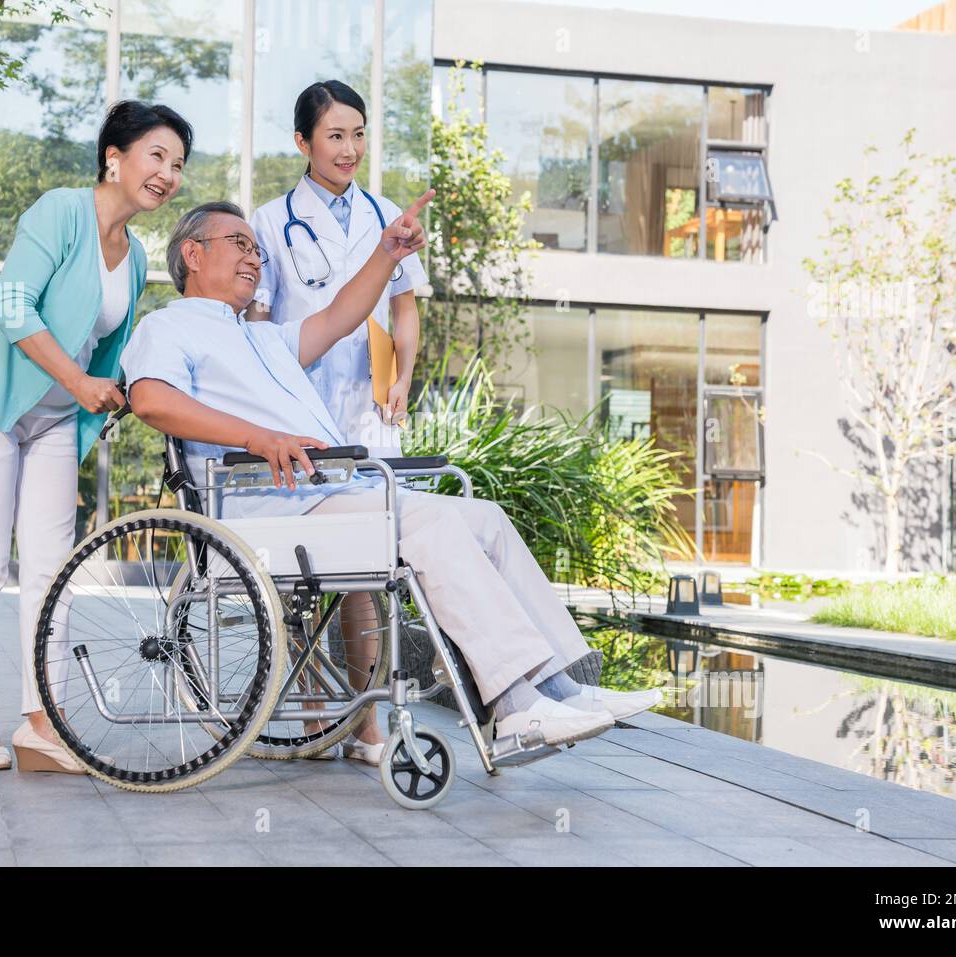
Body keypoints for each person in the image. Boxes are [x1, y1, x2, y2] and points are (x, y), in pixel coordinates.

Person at [119, 198, 663, 754]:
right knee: (430, 527)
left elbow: (339, 318)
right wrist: (258, 438)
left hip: (330, 494)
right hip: (270, 512)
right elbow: (152, 400)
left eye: (257, 250)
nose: (255, 259)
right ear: (192, 253)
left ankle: (563, 688)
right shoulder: (167, 327)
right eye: (240, 245)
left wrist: (386, 252)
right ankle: (514, 709)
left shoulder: (262, 339)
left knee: (486, 519)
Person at [0, 100, 191, 774]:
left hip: (53, 417)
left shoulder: (135, 256)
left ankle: (41, 720)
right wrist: (78, 380)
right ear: (115, 155)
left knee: (52, 570)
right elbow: (13, 306)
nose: (168, 174)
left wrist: (114, 392)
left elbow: (107, 353)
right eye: (157, 156)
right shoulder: (61, 211)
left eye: (177, 165)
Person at [249, 80, 429, 760]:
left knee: (365, 572)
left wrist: (406, 375)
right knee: (301, 571)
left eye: (358, 134)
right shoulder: (269, 221)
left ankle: (369, 725)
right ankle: (317, 715)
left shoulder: (388, 214)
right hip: (303, 410)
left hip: (370, 410)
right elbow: (260, 316)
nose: (349, 148)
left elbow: (406, 307)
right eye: (335, 135)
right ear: (302, 141)